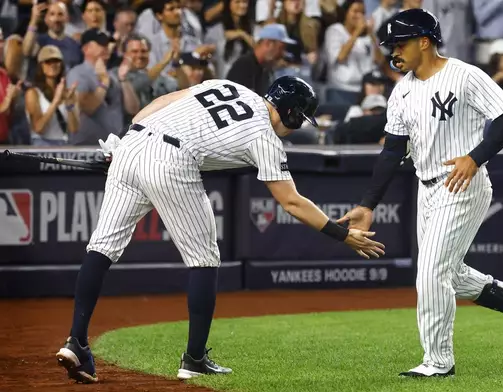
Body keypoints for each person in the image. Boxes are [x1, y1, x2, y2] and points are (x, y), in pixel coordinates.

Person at [54, 75, 385, 383]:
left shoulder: (229, 85)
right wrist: (342, 234)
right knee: (204, 258)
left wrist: (127, 145)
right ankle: (194, 358)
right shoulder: (265, 137)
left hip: (131, 143)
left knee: (102, 247)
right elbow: (292, 202)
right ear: (293, 114)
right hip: (171, 158)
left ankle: (76, 340)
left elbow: (164, 101)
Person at [337, 9, 503, 378]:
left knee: (432, 273)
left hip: (463, 182)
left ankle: (438, 361)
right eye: (390, 45)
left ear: (424, 41)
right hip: (427, 187)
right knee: (448, 272)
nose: (393, 52)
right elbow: (391, 151)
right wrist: (367, 204)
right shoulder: (402, 90)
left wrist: (475, 157)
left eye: (399, 44)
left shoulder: (463, 74)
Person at [25, 45, 80, 146]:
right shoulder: (33, 93)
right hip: (41, 144)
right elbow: (38, 128)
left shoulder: (68, 92)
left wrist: (69, 105)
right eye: (48, 62)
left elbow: (74, 129)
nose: (52, 65)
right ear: (41, 66)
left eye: (56, 61)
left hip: (63, 143)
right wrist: (55, 102)